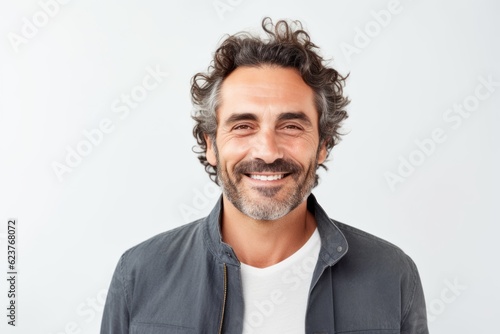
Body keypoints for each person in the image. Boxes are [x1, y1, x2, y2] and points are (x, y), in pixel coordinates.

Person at [100, 17, 428, 334]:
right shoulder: (139, 274)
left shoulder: (392, 275)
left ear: (323, 145)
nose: (267, 151)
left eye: (291, 126)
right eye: (244, 126)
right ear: (210, 144)